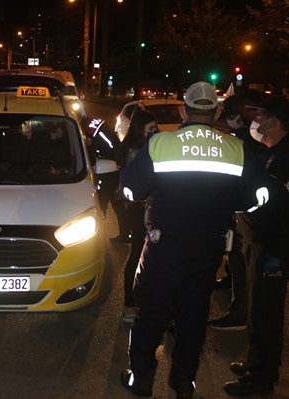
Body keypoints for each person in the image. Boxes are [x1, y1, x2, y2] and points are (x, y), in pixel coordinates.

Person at [118, 81, 269, 399]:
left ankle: (142, 379)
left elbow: (131, 190)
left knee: (151, 315)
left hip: (163, 248)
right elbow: (259, 196)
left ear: (183, 110)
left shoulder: (161, 143)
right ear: (216, 112)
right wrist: (234, 206)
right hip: (208, 249)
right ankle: (183, 382)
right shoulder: (235, 148)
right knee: (193, 316)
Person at [222, 96, 289, 396]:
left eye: (260, 115)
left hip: (271, 248)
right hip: (257, 243)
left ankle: (260, 378)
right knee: (256, 310)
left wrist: (277, 253)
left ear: (274, 121)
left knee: (265, 313)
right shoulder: (272, 152)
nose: (255, 120)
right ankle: (258, 362)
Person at [209, 89, 265, 330]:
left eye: (234, 114)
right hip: (239, 210)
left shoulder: (255, 139)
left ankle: (240, 313)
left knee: (241, 259)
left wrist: (238, 206)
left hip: (249, 213)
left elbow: (249, 179)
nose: (231, 120)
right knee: (234, 255)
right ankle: (232, 283)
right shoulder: (241, 135)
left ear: (248, 110)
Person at [115, 108, 158, 323]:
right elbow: (137, 185)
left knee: (141, 254)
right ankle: (130, 306)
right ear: (140, 129)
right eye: (151, 129)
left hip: (138, 207)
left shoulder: (135, 146)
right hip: (137, 208)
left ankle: (134, 304)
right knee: (138, 255)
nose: (154, 132)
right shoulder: (136, 151)